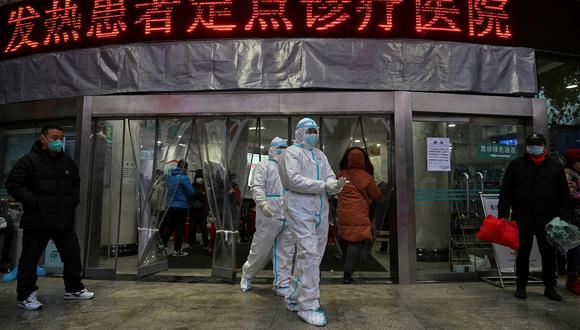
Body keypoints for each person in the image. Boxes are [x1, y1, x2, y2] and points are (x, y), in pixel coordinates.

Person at [5, 124, 94, 310]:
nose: (58, 141)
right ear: (43, 138)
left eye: (60, 137)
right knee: (30, 259)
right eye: (54, 137)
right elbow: (14, 185)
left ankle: (73, 288)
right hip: (38, 220)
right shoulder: (28, 161)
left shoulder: (67, 162)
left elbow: (75, 184)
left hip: (63, 220)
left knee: (72, 255)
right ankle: (26, 295)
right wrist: (36, 201)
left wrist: (72, 203)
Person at [279, 118, 346, 327]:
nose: (314, 134)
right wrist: (323, 185)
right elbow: (293, 180)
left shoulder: (320, 155)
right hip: (299, 206)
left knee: (313, 255)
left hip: (320, 208)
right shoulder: (290, 153)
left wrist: (336, 186)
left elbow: (329, 177)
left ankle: (293, 295)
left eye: (316, 130)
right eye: (309, 130)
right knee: (308, 252)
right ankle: (308, 305)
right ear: (299, 132)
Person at [498, 133, 570, 301]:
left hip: (549, 219)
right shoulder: (515, 166)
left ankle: (550, 287)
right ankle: (521, 285)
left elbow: (564, 195)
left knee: (549, 254)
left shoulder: (555, 167)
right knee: (522, 254)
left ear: (544, 146)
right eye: (531, 144)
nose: (534, 147)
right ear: (526, 147)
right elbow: (505, 192)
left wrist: (563, 217)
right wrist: (503, 214)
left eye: (538, 144)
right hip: (522, 218)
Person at [240, 137, 295, 297]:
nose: (282, 150)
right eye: (279, 147)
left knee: (286, 251)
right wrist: (263, 204)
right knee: (260, 249)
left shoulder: (290, 168)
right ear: (271, 148)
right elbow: (256, 186)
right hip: (269, 214)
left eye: (285, 148)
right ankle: (247, 274)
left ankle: (282, 284)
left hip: (289, 214)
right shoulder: (264, 166)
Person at [337, 147, 382, 284]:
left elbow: (334, 190)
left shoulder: (341, 175)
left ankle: (347, 267)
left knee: (345, 239)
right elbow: (376, 196)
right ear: (363, 160)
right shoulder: (366, 176)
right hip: (359, 213)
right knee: (355, 242)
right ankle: (347, 272)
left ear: (348, 159)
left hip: (343, 213)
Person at [161, 160, 194, 257]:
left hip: (169, 206)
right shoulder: (184, 178)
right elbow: (191, 192)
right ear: (184, 168)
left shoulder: (169, 178)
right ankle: (177, 250)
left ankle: (160, 246)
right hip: (181, 207)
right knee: (180, 229)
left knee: (169, 228)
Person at [562, 148, 580, 295]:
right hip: (573, 217)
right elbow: (571, 195)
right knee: (574, 248)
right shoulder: (567, 175)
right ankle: (573, 278)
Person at [188, 170, 211, 253]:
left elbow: (205, 197)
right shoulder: (192, 186)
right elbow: (191, 196)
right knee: (193, 228)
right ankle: (192, 244)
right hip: (195, 211)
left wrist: (200, 194)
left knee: (203, 229)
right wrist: (200, 193)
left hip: (201, 211)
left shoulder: (203, 186)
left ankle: (205, 244)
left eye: (201, 178)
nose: (200, 179)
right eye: (198, 178)